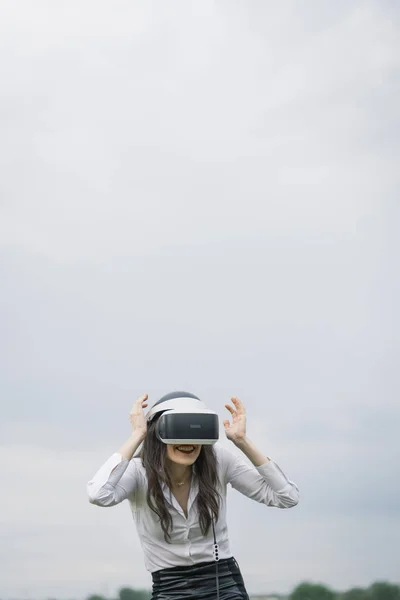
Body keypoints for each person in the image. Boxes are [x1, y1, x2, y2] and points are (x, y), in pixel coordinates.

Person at [87, 392, 299, 600]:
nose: (188, 441)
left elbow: (287, 496)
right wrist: (137, 435)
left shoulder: (219, 461)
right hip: (169, 586)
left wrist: (242, 441)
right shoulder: (138, 471)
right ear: (157, 433)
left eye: (196, 430)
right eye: (178, 430)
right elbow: (99, 494)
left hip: (222, 581)